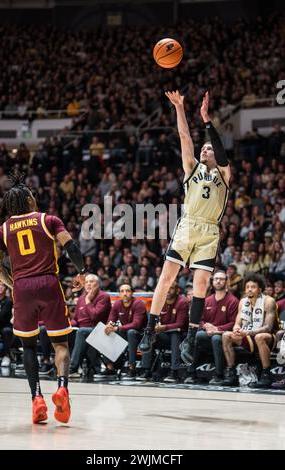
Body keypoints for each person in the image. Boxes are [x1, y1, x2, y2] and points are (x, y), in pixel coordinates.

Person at [139, 90, 231, 367]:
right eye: (204, 147)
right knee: (166, 279)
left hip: (210, 231)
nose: (205, 149)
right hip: (188, 226)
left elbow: (221, 151)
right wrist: (179, 107)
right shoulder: (191, 168)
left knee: (201, 284)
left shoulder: (224, 174)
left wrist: (206, 120)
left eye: (209, 148)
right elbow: (184, 139)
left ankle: (191, 337)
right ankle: (149, 330)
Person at [0, 173, 87, 424]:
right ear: (29, 200)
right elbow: (72, 248)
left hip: (23, 288)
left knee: (29, 346)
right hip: (49, 284)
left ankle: (37, 399)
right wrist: (82, 272)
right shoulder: (49, 220)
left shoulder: (2, 230)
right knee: (61, 344)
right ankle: (63, 388)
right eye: (32, 195)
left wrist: (16, 285)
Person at [222, 273, 277, 388]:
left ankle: (266, 373)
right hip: (248, 336)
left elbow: (268, 327)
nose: (249, 289)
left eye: (253, 287)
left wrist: (247, 332)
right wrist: (236, 328)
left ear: (260, 289)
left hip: (270, 337)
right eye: (247, 287)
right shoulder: (242, 302)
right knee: (226, 335)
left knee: (259, 337)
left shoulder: (268, 301)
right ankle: (231, 373)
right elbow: (237, 323)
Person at [185, 271, 239, 385]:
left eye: (221, 279)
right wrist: (205, 326)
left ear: (226, 282)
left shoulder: (233, 301)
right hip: (208, 333)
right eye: (216, 279)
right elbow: (200, 320)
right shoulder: (207, 300)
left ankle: (219, 375)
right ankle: (191, 373)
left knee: (216, 339)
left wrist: (217, 329)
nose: (218, 281)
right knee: (196, 335)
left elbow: (234, 323)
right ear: (212, 282)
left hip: (224, 335)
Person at [137, 281, 189, 383]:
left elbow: (180, 324)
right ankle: (146, 369)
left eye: (171, 288)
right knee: (150, 335)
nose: (168, 291)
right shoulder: (160, 301)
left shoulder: (182, 302)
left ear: (177, 290)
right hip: (165, 335)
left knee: (175, 334)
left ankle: (175, 371)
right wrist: (155, 327)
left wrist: (164, 327)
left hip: (181, 336)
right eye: (167, 289)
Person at [99, 283, 147, 380]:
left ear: (132, 293)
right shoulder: (117, 304)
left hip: (140, 334)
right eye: (122, 291)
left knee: (131, 332)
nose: (125, 293)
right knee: (104, 332)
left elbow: (136, 324)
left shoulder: (138, 304)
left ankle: (132, 368)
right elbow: (111, 320)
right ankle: (110, 368)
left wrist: (118, 328)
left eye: (127, 291)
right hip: (125, 332)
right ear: (119, 294)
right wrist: (109, 326)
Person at [69, 274, 111, 378]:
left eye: (91, 281)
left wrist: (88, 301)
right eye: (86, 282)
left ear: (97, 284)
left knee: (82, 331)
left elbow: (95, 317)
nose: (88, 284)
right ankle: (56, 364)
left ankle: (72, 368)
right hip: (82, 329)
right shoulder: (81, 298)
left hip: (98, 329)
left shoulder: (103, 296)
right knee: (63, 331)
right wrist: (68, 325)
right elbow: (76, 319)